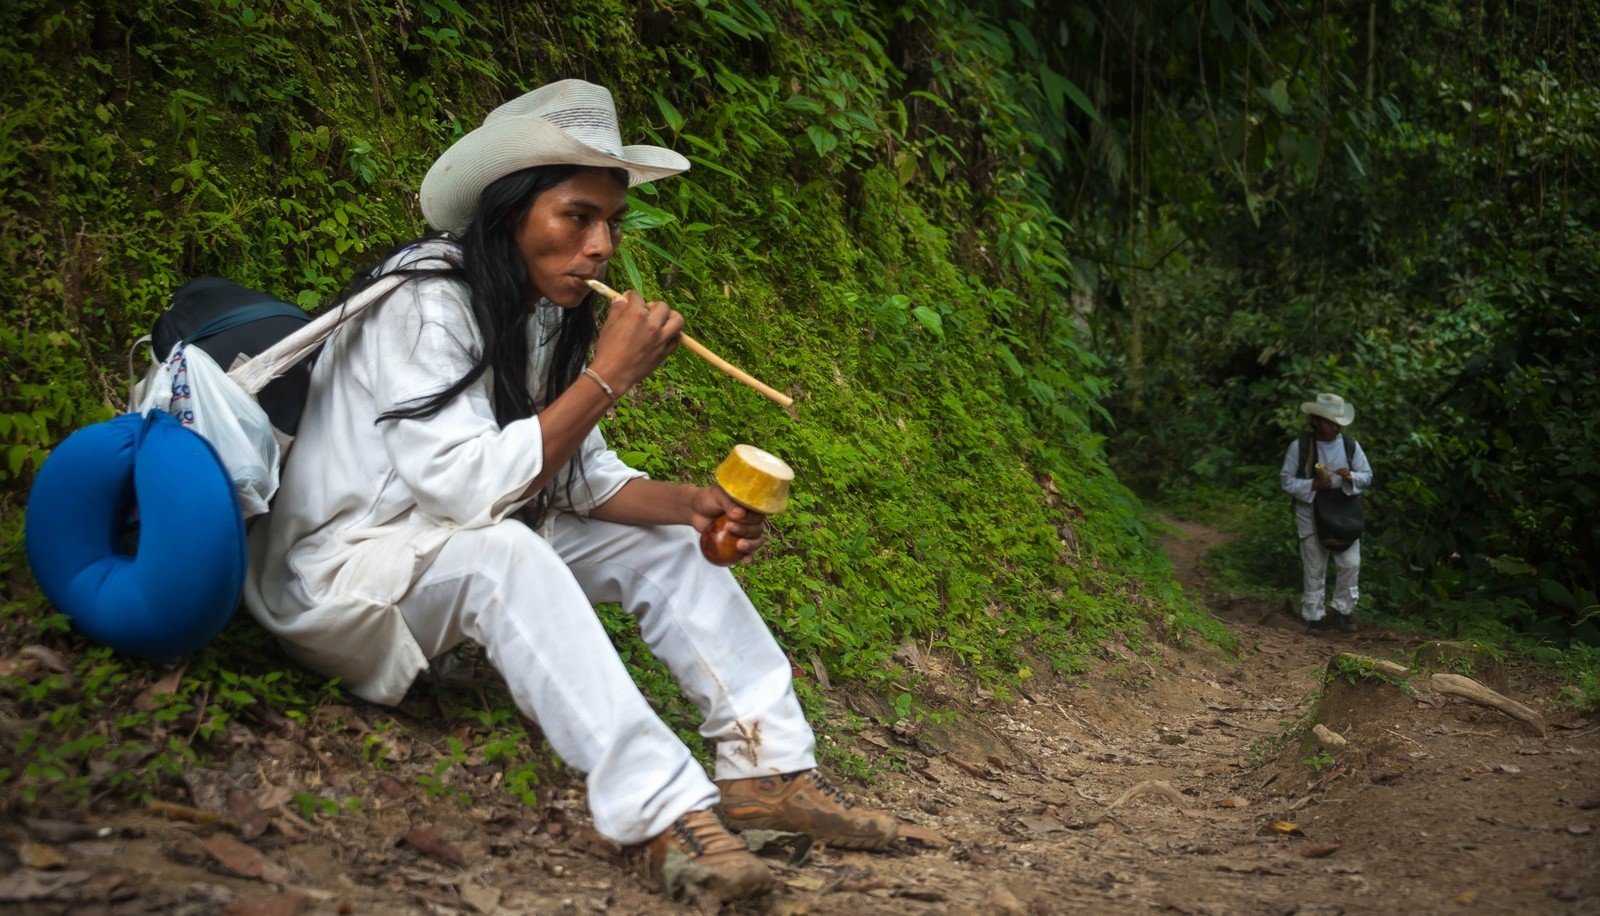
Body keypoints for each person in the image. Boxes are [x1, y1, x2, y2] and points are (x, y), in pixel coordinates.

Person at [242, 79, 896, 902]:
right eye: (576, 217)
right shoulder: (423, 304)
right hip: (346, 584)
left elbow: (579, 477)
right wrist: (608, 378)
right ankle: (663, 813)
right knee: (503, 551)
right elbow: (467, 490)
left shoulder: (537, 310)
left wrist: (688, 503)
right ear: (510, 211)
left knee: (659, 539)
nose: (600, 247)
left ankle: (766, 772)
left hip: (439, 557)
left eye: (611, 224)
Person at [1279, 392, 1373, 634]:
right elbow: (1286, 481)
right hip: (1310, 514)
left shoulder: (1350, 446)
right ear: (1316, 421)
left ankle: (1343, 611)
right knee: (1315, 566)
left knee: (1350, 564)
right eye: (1329, 422)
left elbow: (1367, 475)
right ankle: (1314, 616)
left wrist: (1350, 476)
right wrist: (1312, 485)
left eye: (1337, 423)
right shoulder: (1300, 447)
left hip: (1344, 514)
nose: (1334, 428)